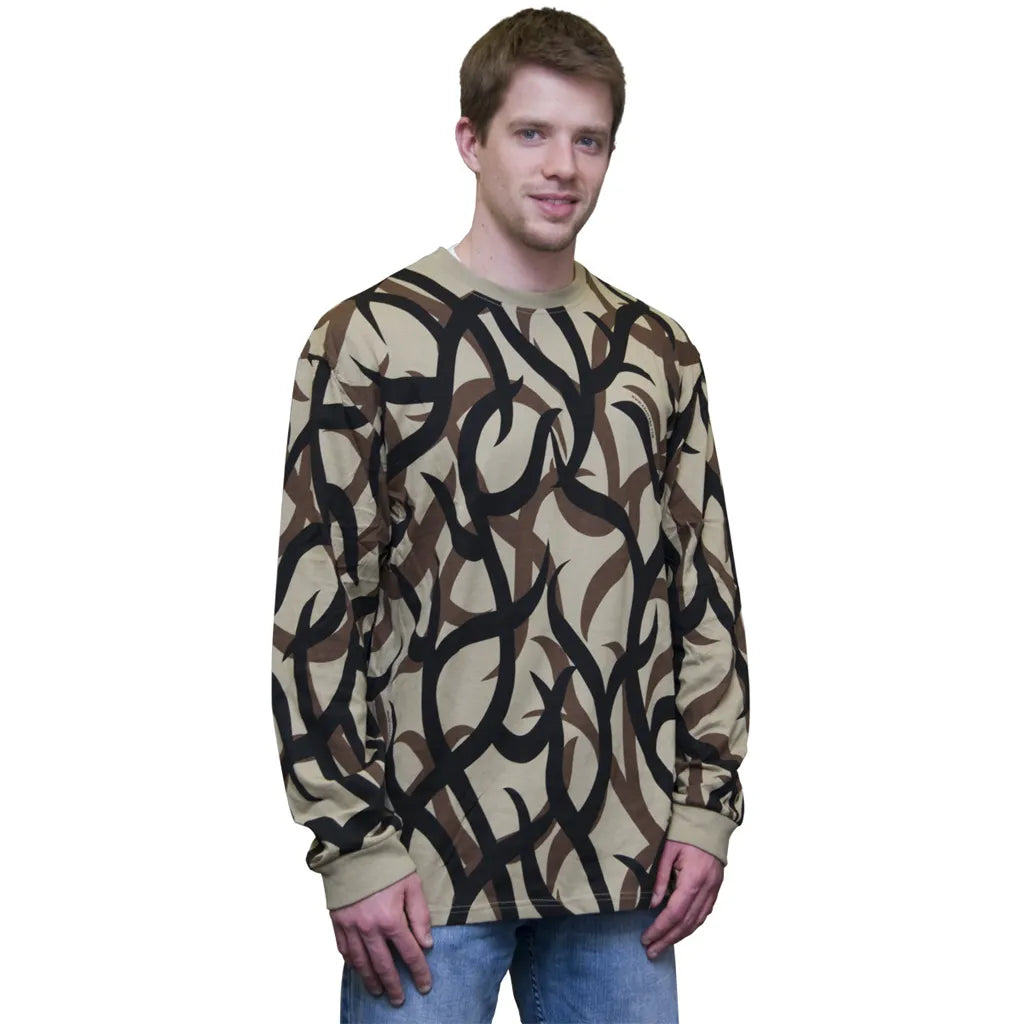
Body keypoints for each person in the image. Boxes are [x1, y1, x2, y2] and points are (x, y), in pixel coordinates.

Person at [271, 7, 750, 1022]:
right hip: (423, 870)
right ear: (471, 140)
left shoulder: (656, 354)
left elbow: (701, 594)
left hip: (625, 868)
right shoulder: (370, 340)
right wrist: (351, 845)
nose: (562, 166)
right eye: (532, 132)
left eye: (589, 140)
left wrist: (706, 806)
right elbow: (319, 604)